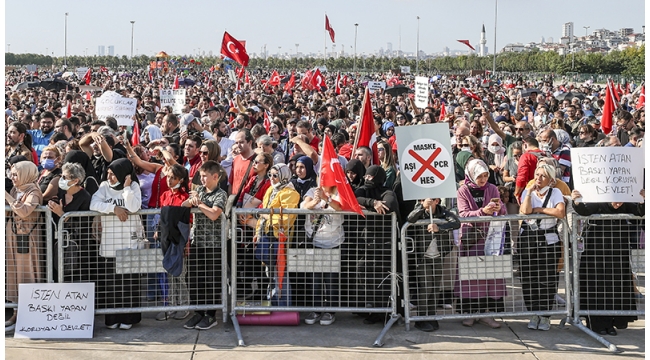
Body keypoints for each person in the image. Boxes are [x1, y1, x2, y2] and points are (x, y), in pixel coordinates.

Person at [571, 189, 644, 336]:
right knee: (596, 281)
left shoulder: (626, 196)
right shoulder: (598, 195)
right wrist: (576, 200)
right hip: (596, 246)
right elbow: (584, 211)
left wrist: (644, 198)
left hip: (618, 245)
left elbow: (639, 211)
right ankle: (596, 322)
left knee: (615, 282)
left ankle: (611, 321)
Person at [89, 158, 143, 330]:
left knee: (128, 283)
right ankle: (113, 319)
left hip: (129, 243)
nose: (110, 176)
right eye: (109, 173)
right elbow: (93, 203)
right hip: (110, 244)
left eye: (113, 174)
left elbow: (134, 207)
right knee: (112, 284)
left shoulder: (133, 186)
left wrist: (126, 188)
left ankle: (128, 318)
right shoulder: (104, 186)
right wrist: (114, 209)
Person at [455, 159, 507, 329]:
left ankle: (487, 314)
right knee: (472, 278)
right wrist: (482, 212)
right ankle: (471, 313)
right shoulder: (463, 191)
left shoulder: (492, 188)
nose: (483, 179)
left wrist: (499, 208)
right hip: (472, 240)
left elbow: (501, 211)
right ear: (471, 175)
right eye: (479, 176)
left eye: (485, 175)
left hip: (491, 239)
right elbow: (463, 213)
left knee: (490, 277)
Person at [518, 163, 566, 331]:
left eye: (543, 176)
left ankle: (545, 315)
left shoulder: (556, 192)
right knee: (529, 276)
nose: (538, 178)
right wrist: (529, 193)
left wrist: (540, 209)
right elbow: (525, 210)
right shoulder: (528, 190)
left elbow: (560, 212)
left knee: (547, 277)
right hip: (529, 239)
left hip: (548, 239)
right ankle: (533, 313)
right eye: (537, 175)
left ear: (550, 180)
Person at [181, 161, 227, 330]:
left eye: (204, 176)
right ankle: (198, 313)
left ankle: (210, 315)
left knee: (211, 280)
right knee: (194, 278)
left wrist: (199, 204)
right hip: (198, 242)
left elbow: (214, 214)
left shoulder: (220, 194)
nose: (201, 179)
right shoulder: (199, 190)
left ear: (215, 177)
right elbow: (184, 204)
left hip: (214, 245)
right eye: (200, 176)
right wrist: (191, 201)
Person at [406, 197, 461, 332]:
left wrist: (439, 228)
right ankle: (421, 318)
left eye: (432, 200)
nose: (428, 202)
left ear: (437, 201)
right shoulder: (420, 210)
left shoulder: (443, 212)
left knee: (435, 288)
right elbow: (410, 218)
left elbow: (456, 222)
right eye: (423, 199)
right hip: (423, 257)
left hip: (438, 257)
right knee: (426, 287)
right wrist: (422, 207)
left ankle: (431, 316)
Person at [254, 164, 301, 306]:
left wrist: (267, 216)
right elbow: (264, 213)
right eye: (270, 175)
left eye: (275, 175)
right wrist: (257, 232)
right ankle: (273, 301)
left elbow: (285, 219)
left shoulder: (291, 193)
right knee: (271, 273)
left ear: (284, 176)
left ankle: (283, 304)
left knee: (281, 274)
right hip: (267, 236)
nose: (272, 178)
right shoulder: (271, 189)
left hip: (281, 239)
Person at [5, 161, 44, 330]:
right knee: (13, 273)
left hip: (28, 239)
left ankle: (28, 315)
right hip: (13, 236)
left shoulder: (33, 191)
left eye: (16, 174)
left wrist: (5, 195)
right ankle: (15, 313)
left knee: (27, 272)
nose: (12, 178)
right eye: (11, 174)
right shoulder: (16, 190)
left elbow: (24, 211)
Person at [301, 185, 346, 326]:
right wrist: (315, 201)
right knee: (315, 279)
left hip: (332, 243)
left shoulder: (339, 192)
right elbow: (304, 206)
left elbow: (340, 207)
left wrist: (326, 198)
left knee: (330, 280)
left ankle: (330, 311)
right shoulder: (313, 190)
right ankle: (316, 309)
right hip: (315, 242)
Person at [155, 164, 191, 322]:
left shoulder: (185, 197)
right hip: (166, 239)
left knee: (181, 275)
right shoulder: (164, 195)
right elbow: (162, 216)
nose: (169, 180)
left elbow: (189, 221)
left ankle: (183, 305)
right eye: (168, 177)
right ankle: (171, 305)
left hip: (180, 239)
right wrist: (158, 229)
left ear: (181, 180)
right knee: (168, 274)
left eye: (173, 178)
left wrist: (187, 242)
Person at [46, 163, 93, 282]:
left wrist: (61, 213)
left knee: (74, 275)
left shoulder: (85, 197)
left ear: (75, 180)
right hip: (58, 241)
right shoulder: (61, 191)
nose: (61, 179)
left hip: (77, 246)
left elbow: (83, 223)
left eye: (65, 177)